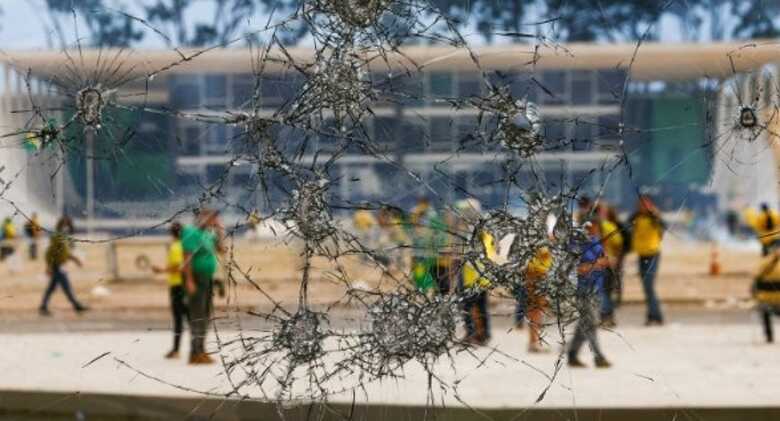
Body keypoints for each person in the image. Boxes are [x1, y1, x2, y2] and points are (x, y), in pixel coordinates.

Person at [182, 208, 224, 365]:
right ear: (202, 217)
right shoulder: (191, 233)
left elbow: (221, 250)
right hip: (196, 279)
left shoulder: (208, 234)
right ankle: (195, 352)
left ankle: (201, 349)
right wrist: (189, 281)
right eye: (212, 218)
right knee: (197, 316)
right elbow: (186, 259)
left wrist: (219, 232)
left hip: (207, 279)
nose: (214, 221)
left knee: (206, 316)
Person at [568, 221, 611, 368]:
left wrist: (602, 263)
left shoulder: (596, 242)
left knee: (585, 323)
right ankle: (598, 356)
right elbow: (575, 269)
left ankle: (572, 354)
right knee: (591, 322)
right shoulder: (575, 245)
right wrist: (595, 264)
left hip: (597, 288)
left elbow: (604, 262)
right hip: (583, 290)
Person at [152, 222, 188, 359]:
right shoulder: (186, 246)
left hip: (176, 285)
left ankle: (176, 350)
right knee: (189, 317)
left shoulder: (175, 247)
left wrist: (161, 270)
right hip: (185, 285)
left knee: (178, 319)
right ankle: (197, 348)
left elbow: (179, 267)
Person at [629, 195, 666, 326]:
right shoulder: (636, 217)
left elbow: (663, 226)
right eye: (640, 204)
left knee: (649, 285)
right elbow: (627, 228)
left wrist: (655, 213)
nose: (642, 206)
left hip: (653, 254)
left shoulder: (654, 217)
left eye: (645, 204)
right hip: (641, 254)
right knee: (646, 287)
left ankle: (656, 316)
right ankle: (653, 315)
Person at [39, 226, 88, 316]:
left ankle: (43, 306)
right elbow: (50, 257)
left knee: (51, 289)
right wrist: (48, 268)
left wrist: (76, 260)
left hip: (58, 269)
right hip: (58, 269)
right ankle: (76, 305)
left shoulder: (59, 246)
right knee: (66, 288)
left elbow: (66, 255)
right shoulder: (57, 246)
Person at [461, 228, 496, 345]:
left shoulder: (477, 240)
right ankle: (481, 334)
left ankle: (477, 333)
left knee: (472, 307)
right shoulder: (487, 237)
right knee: (479, 308)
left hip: (474, 280)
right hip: (479, 279)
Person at [597, 204, 623, 327]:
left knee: (603, 292)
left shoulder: (594, 226)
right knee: (607, 291)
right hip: (610, 262)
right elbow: (618, 243)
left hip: (599, 263)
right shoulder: (609, 226)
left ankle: (605, 316)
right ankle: (609, 316)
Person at [525, 246, 552, 352]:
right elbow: (543, 253)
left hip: (538, 274)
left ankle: (533, 341)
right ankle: (533, 341)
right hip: (537, 275)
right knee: (535, 310)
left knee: (536, 310)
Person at [753, 240, 780, 343]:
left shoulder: (763, 264)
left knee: (763, 305)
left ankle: (769, 335)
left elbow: (756, 283)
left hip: (767, 304)